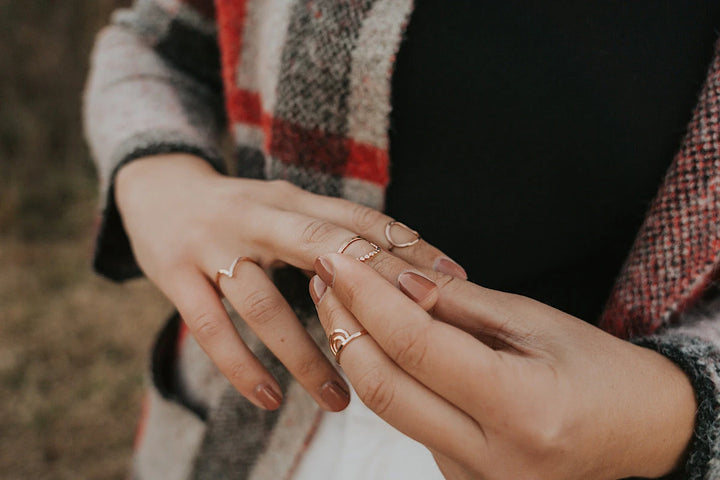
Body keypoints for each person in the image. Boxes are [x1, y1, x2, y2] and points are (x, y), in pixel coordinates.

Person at [83, 0, 720, 478]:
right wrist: (156, 177)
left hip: (594, 454)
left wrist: (673, 413)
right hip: (248, 424)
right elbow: (154, 38)